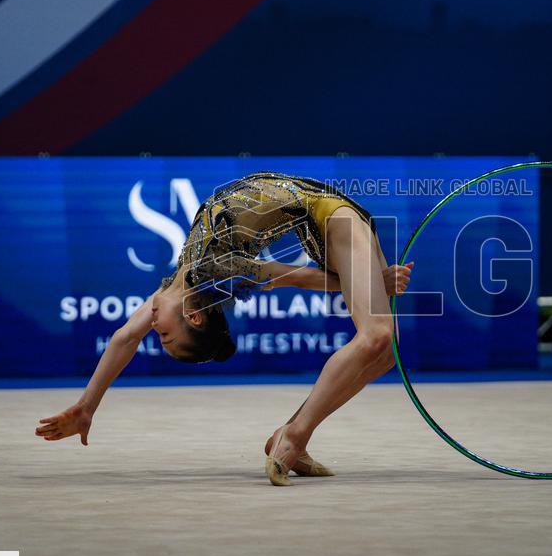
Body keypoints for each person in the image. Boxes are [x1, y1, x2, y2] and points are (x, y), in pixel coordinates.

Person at [35, 171, 413, 486]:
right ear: (195, 316)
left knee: (381, 346)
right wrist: (371, 280)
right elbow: (296, 277)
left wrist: (86, 407)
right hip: (331, 216)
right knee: (381, 343)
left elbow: (124, 337)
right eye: (163, 335)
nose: (153, 328)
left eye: (162, 336)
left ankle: (291, 435)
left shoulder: (182, 282)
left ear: (193, 316)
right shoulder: (209, 278)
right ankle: (293, 434)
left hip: (329, 211)